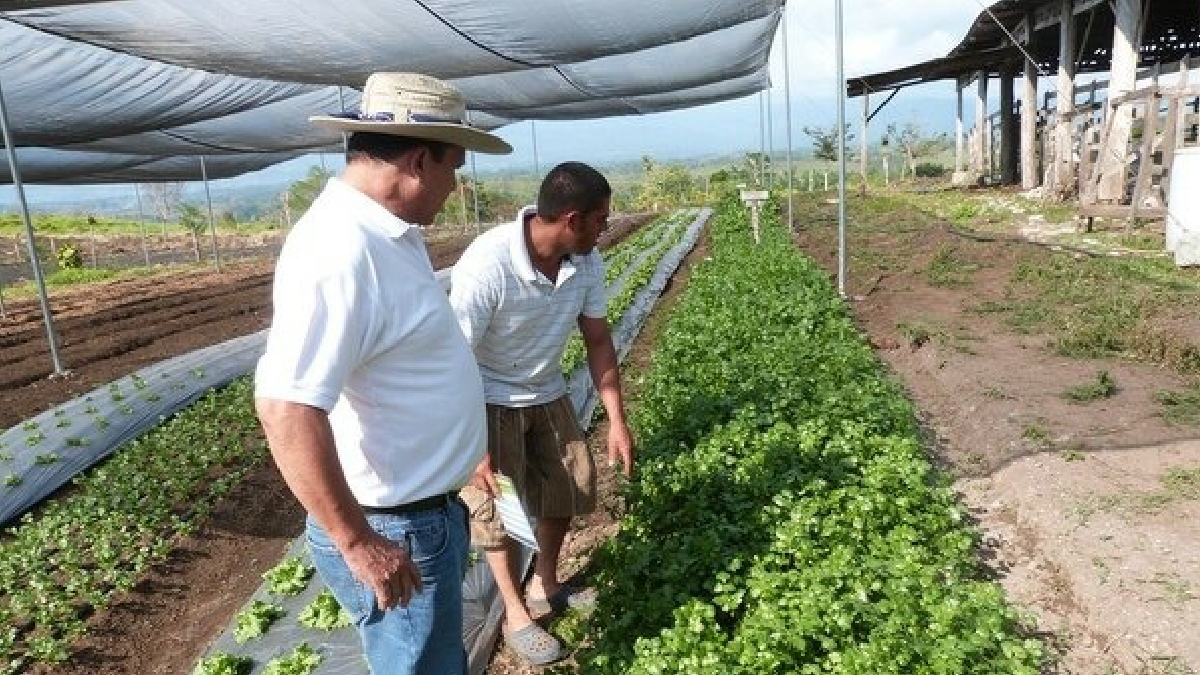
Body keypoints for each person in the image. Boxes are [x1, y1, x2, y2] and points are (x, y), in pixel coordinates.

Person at [254, 72, 511, 675]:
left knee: (432, 661)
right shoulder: (340, 252)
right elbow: (285, 407)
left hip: (420, 515)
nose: (457, 183)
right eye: (454, 167)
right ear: (420, 160)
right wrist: (358, 543)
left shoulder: (387, 232)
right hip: (394, 527)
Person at [449, 161, 635, 665]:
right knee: (499, 512)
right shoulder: (488, 263)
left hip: (546, 390)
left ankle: (545, 584)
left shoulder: (585, 262)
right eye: (600, 220)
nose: (605, 229)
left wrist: (617, 418)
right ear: (572, 219)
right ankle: (514, 612)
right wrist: (472, 444)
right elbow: (455, 359)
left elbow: (597, 339)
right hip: (485, 396)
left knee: (567, 487)